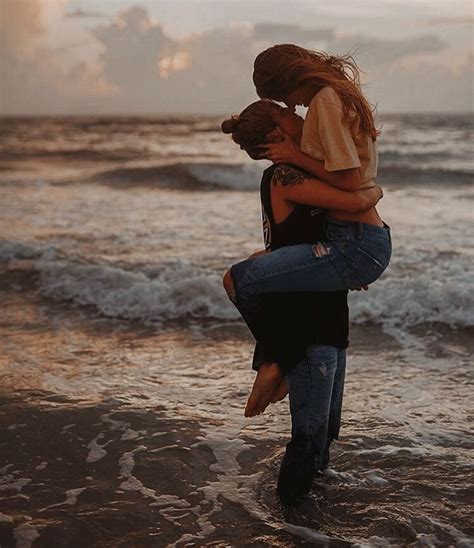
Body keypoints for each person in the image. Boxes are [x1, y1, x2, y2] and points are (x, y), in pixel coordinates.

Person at [221, 99, 383, 504]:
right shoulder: (285, 175)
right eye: (288, 115)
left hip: (328, 311)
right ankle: (290, 524)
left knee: (326, 432)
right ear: (277, 135)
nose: (299, 118)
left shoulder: (297, 171)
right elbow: (357, 201)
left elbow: (308, 244)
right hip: (309, 322)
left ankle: (315, 523)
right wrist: (377, 186)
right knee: (308, 439)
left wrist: (344, 270)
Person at [225, 44, 391, 418]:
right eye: (282, 106)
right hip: (352, 240)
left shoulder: (325, 102)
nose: (292, 107)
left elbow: (348, 181)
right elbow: (351, 182)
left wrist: (293, 156)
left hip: (353, 241)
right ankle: (274, 364)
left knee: (241, 281)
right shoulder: (336, 97)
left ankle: (274, 364)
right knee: (260, 265)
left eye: (284, 98)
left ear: (290, 80)